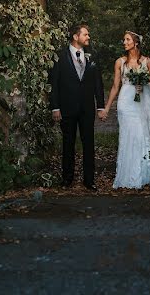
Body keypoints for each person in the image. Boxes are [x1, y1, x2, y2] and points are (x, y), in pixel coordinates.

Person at [101, 31, 150, 189]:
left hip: (142, 101)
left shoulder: (147, 61)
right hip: (125, 102)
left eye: (127, 39)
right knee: (128, 136)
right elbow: (116, 86)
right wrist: (107, 108)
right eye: (124, 39)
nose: (124, 42)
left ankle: (143, 176)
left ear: (136, 42)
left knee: (142, 135)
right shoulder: (120, 62)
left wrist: (143, 81)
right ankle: (126, 176)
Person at [49, 23, 105, 190]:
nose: (88, 37)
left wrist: (100, 106)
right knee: (68, 143)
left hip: (87, 108)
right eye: (85, 34)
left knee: (89, 143)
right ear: (75, 36)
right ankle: (67, 179)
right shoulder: (59, 56)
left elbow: (98, 83)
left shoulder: (92, 56)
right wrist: (55, 107)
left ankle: (89, 180)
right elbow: (54, 84)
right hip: (67, 108)